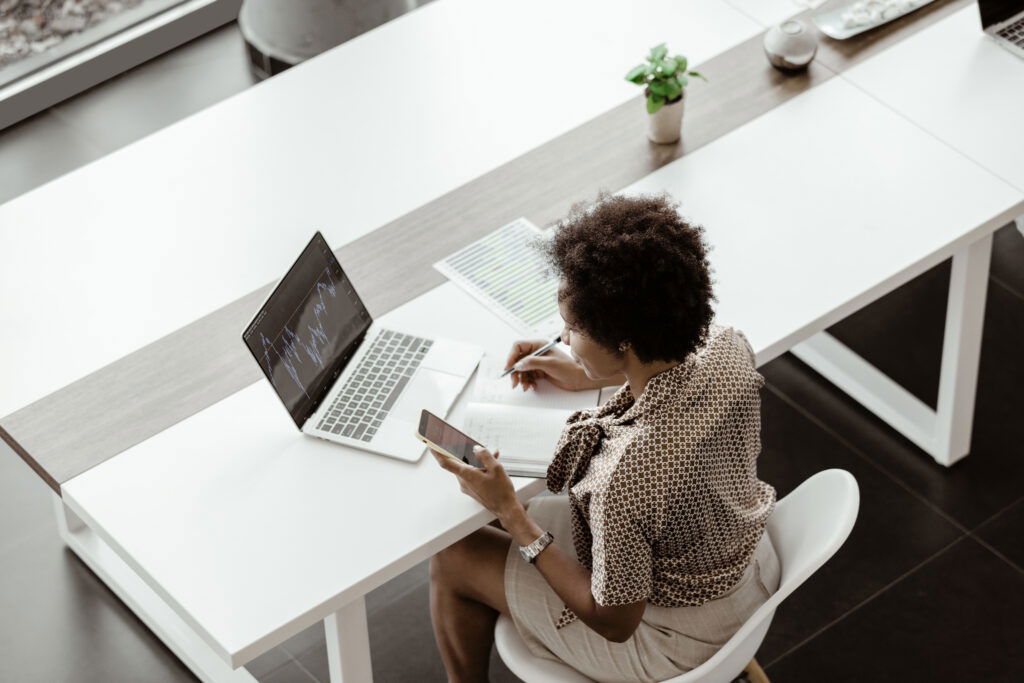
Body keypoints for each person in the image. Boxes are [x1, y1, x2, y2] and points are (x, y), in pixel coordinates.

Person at [429, 192, 779, 683]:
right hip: (747, 570)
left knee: (455, 557)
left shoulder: (623, 479)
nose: (564, 339)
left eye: (572, 328)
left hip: (670, 641)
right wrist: (591, 374)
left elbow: (613, 620)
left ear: (624, 342)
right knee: (509, 525)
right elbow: (675, 382)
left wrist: (509, 511)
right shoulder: (729, 348)